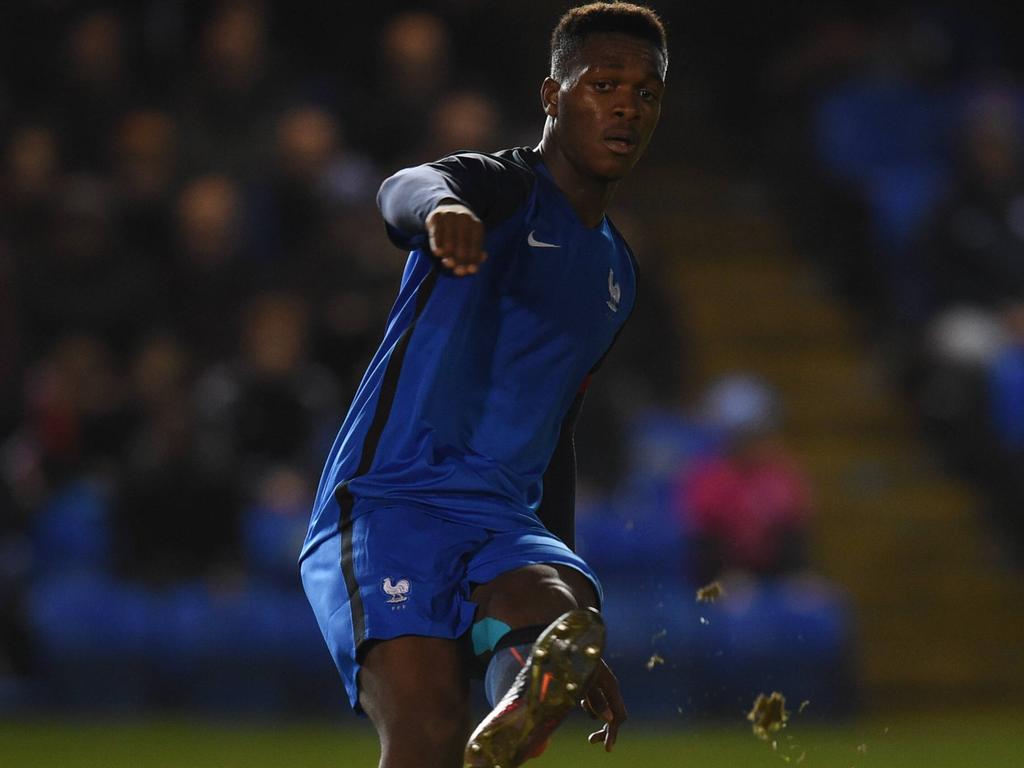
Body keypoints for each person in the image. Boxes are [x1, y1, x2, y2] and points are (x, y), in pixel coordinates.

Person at [299, 5, 667, 767]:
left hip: (498, 518)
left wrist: (571, 651)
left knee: (567, 599)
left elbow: (556, 429)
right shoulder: (495, 189)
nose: (627, 105)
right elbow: (406, 185)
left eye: (646, 92)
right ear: (552, 96)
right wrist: (441, 212)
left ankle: (525, 684)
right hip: (388, 500)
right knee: (427, 735)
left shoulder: (617, 276)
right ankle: (517, 686)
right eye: (603, 84)